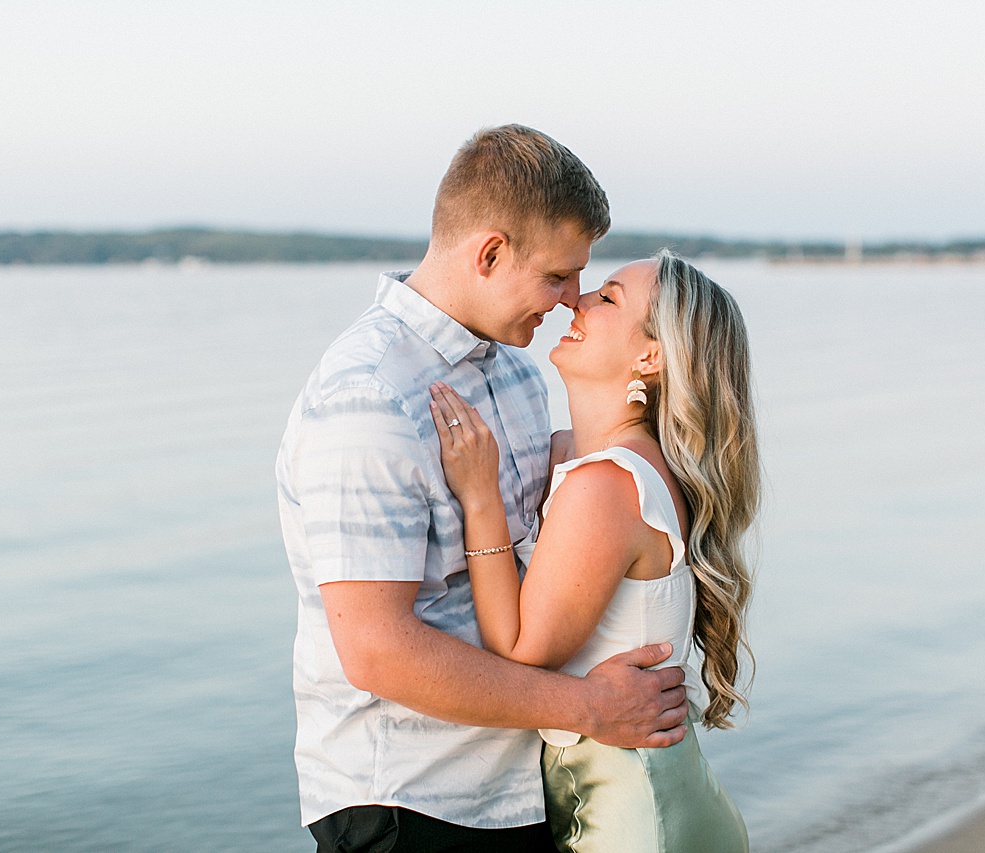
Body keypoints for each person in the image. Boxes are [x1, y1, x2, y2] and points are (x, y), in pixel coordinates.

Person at [275, 125, 690, 853]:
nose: (570, 301)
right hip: (413, 808)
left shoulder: (522, 377)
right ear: (491, 252)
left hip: (529, 794)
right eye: (559, 275)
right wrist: (592, 706)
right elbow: (376, 650)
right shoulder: (368, 396)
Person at [429, 250, 759, 852]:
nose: (576, 301)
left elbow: (520, 649)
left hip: (633, 822)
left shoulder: (606, 486)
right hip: (661, 799)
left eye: (607, 298)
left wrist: (481, 499)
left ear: (650, 357)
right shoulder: (619, 468)